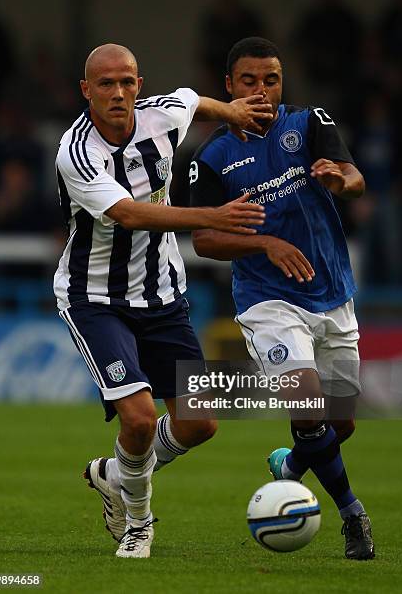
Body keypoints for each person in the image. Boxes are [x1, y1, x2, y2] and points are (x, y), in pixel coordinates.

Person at [54, 43, 269, 559]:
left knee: (200, 422)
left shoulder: (162, 116)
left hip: (163, 295)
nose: (119, 93)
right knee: (140, 418)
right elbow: (129, 214)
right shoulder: (76, 151)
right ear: (87, 91)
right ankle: (139, 523)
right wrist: (211, 217)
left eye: (128, 81)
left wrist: (234, 110)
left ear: (139, 85)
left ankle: (115, 474)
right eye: (106, 84)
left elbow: (194, 100)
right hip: (95, 298)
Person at [189, 37, 375, 560]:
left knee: (340, 424)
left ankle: (292, 465)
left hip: (332, 292)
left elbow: (355, 178)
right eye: (249, 81)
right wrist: (264, 243)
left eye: (271, 79)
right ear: (228, 87)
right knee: (308, 404)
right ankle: (352, 514)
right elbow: (203, 239)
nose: (262, 90)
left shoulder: (310, 123)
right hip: (267, 300)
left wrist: (342, 181)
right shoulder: (212, 157)